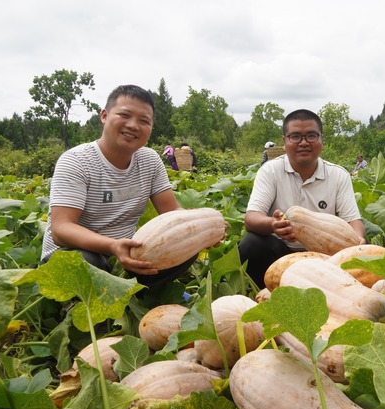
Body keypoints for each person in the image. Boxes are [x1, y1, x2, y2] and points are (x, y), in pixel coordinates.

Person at [41, 84, 222, 291]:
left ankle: (133, 295)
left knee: (186, 250)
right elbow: (61, 230)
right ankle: (86, 305)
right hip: (77, 253)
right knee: (84, 261)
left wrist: (199, 230)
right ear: (104, 115)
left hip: (130, 256)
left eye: (144, 121)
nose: (133, 125)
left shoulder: (150, 160)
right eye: (125, 115)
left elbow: (172, 211)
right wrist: (112, 246)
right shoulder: (76, 161)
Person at [238, 109, 366, 289]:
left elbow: (354, 220)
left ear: (321, 139)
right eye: (295, 136)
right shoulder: (270, 170)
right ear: (284, 141)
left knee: (363, 252)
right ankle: (266, 295)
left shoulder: (339, 175)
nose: (304, 143)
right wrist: (273, 224)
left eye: (311, 136)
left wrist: (358, 240)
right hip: (280, 255)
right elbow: (251, 218)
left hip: (326, 258)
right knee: (251, 244)